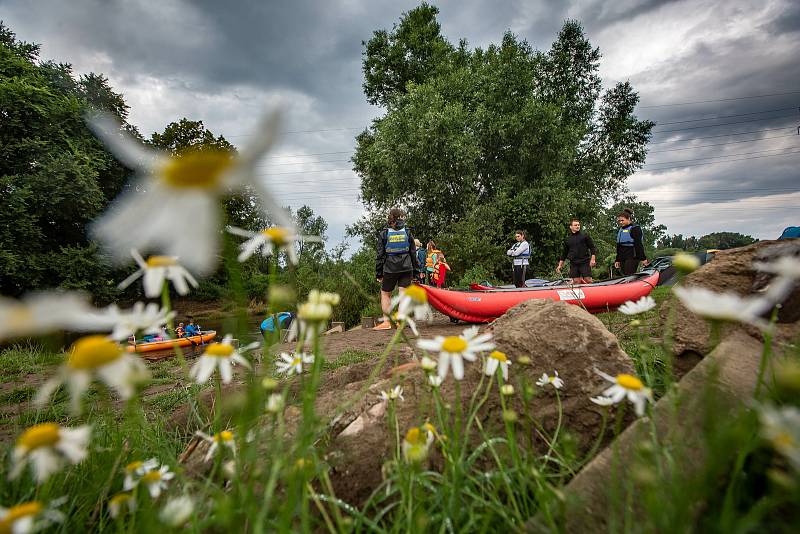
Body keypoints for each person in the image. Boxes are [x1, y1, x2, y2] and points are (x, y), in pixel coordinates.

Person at [374, 207, 419, 330]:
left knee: (385, 293)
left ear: (390, 219)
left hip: (390, 268)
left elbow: (379, 255)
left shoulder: (384, 233)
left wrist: (379, 273)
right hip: (407, 267)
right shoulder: (408, 232)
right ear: (401, 217)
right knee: (403, 294)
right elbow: (413, 253)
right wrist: (416, 272)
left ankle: (387, 322)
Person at [556, 219, 597, 284]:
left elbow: (592, 247)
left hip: (584, 261)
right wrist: (560, 265)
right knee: (576, 281)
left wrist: (593, 259)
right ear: (571, 227)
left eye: (578, 225)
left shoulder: (585, 236)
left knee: (588, 280)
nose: (577, 226)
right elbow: (564, 253)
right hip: (574, 263)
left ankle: (593, 292)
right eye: (575, 225)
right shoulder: (567, 239)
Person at [614, 208, 649, 275]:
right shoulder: (621, 230)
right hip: (622, 256)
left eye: (622, 220)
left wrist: (643, 258)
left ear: (629, 219)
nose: (620, 222)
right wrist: (617, 260)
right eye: (619, 221)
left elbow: (639, 244)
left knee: (629, 274)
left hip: (632, 255)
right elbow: (618, 247)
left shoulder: (635, 228)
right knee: (624, 275)